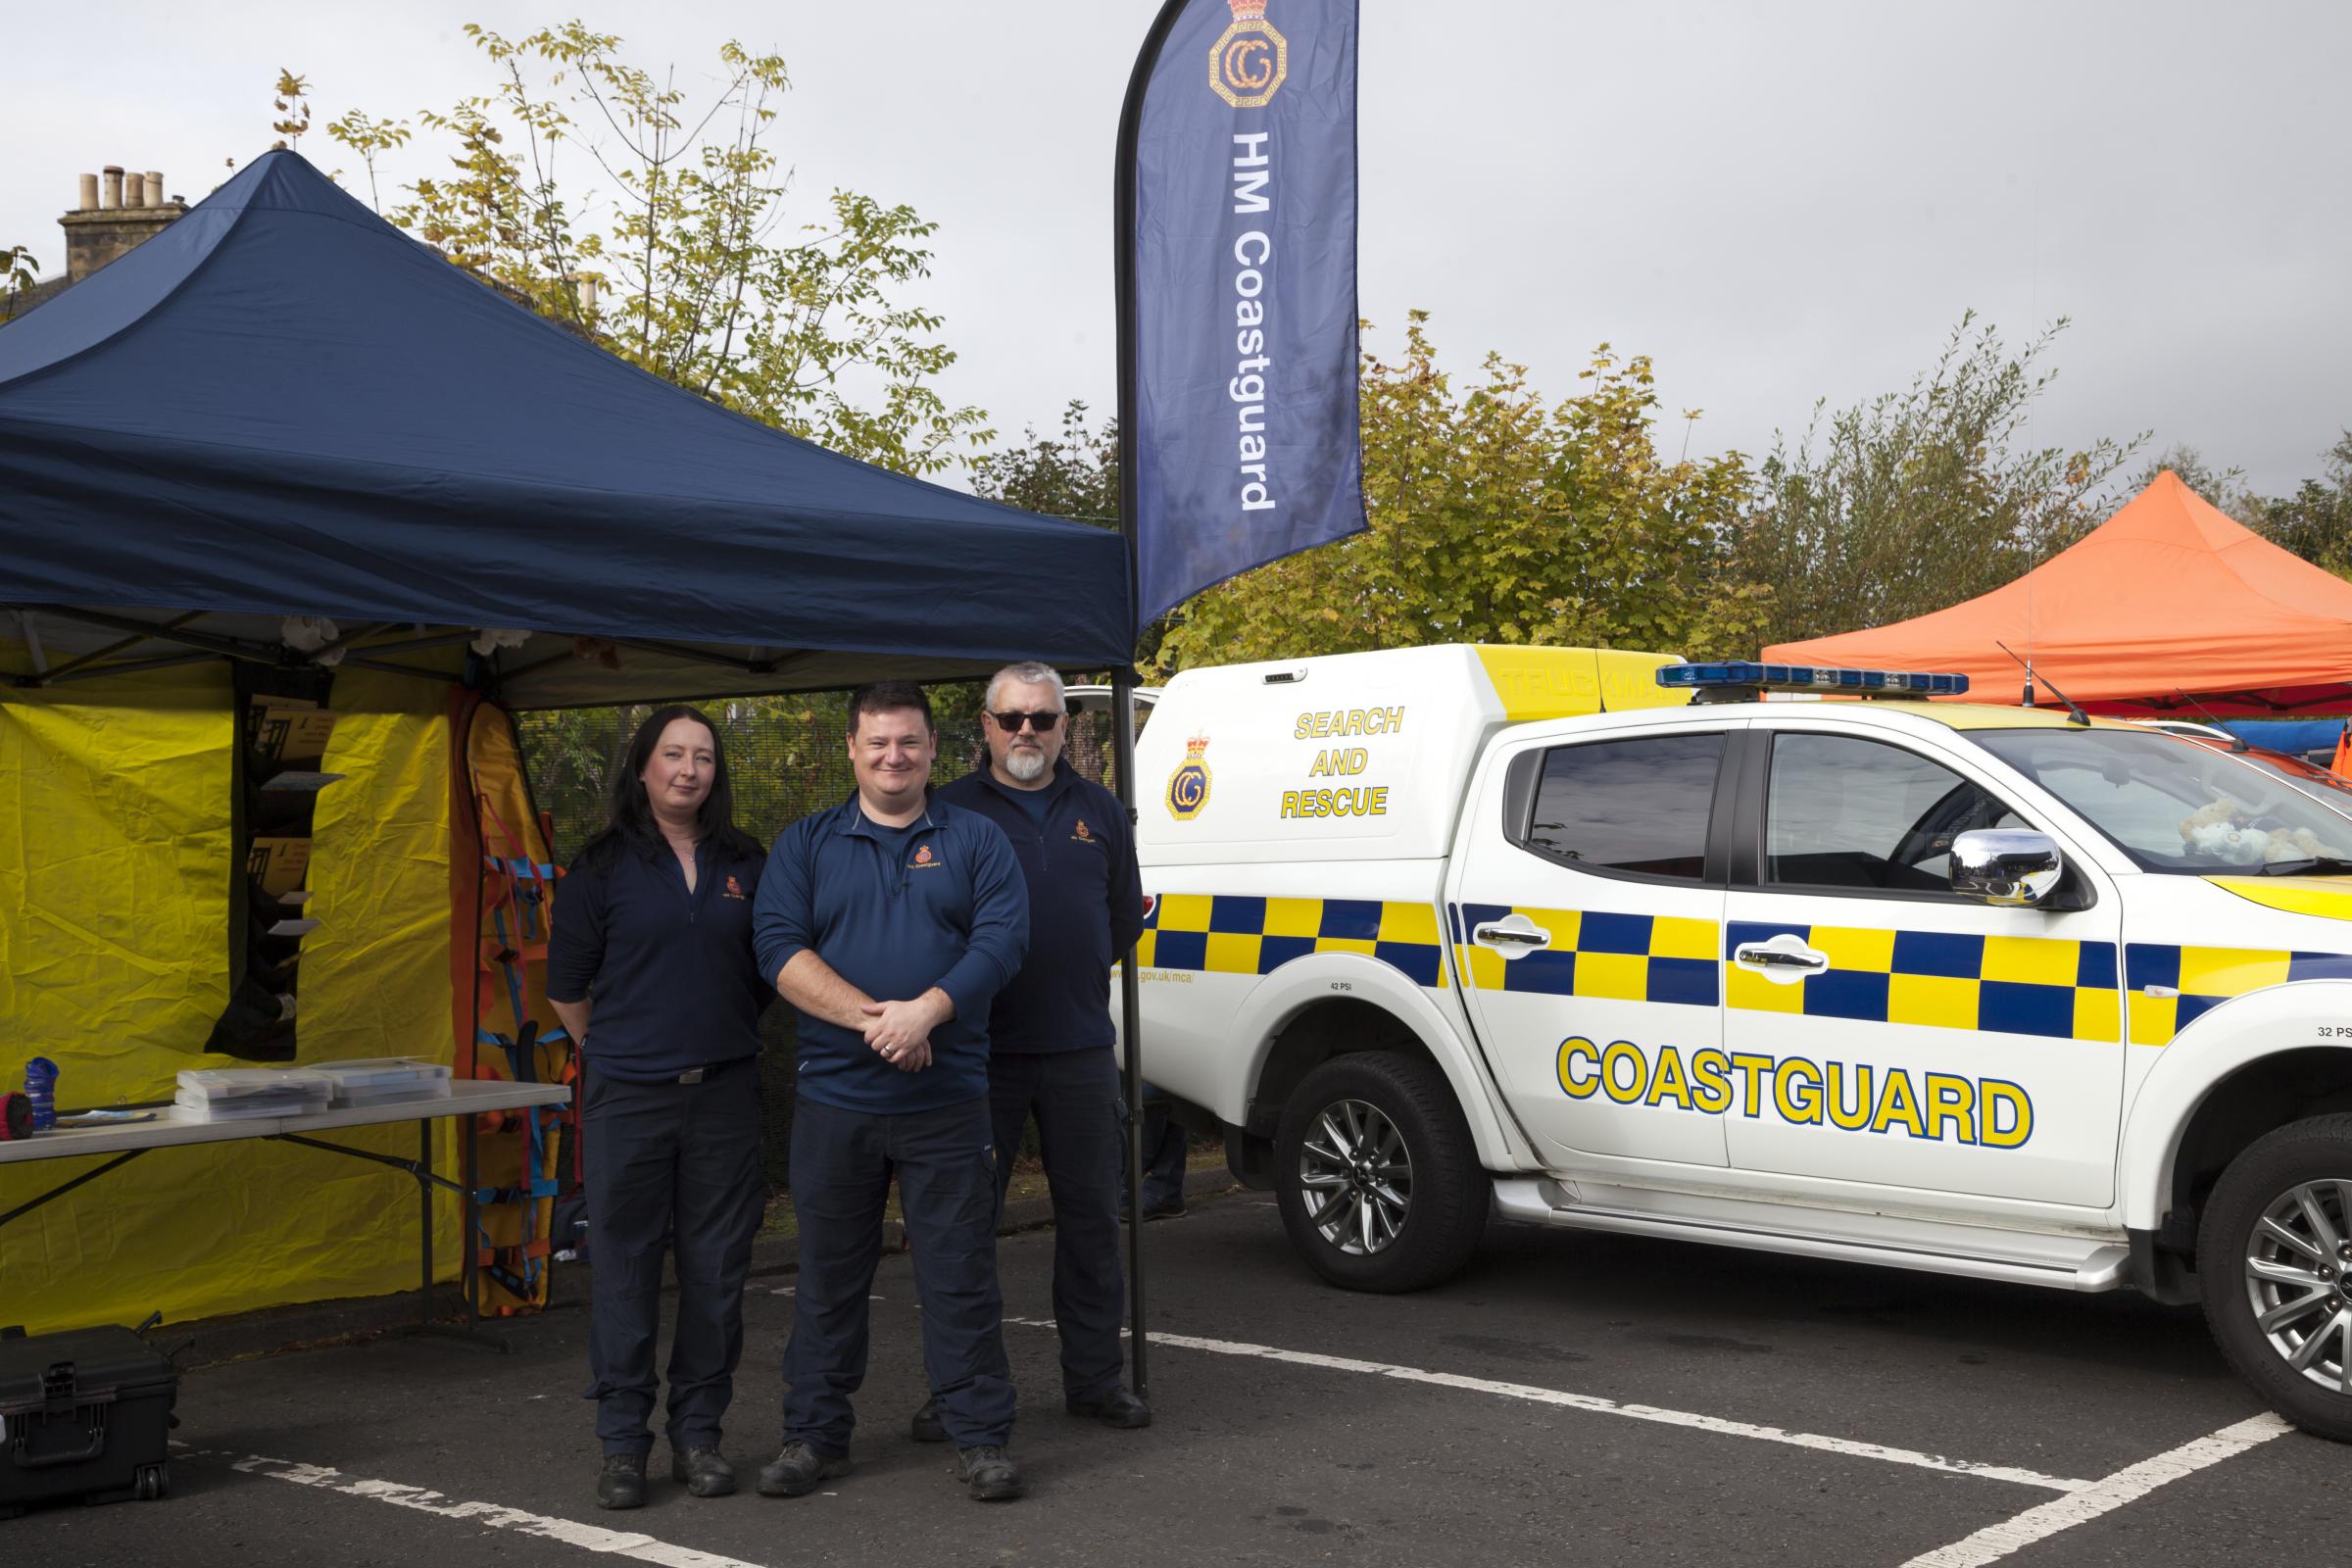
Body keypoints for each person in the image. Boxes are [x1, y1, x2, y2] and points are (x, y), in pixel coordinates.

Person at [751, 680, 1032, 1502]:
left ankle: (979, 1436)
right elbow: (776, 947)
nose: (893, 757)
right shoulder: (805, 844)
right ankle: (813, 1437)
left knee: (960, 1275)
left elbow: (1004, 940)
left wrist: (929, 1015)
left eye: (908, 742)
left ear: (934, 750)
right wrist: (880, 1021)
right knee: (828, 1277)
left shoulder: (978, 840)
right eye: (876, 743)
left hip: (947, 1103)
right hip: (836, 1103)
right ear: (851, 749)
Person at [546, 704, 772, 1511]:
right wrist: (617, 1050)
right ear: (642, 769)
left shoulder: (749, 861)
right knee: (626, 1271)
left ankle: (700, 1436)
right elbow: (567, 988)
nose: (688, 770)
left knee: (716, 1273)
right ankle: (622, 1446)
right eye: (672, 755)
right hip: (627, 1101)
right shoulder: (600, 867)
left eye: (703, 757)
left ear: (717, 773)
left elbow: (765, 974)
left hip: (724, 1097)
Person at [929, 662, 1151, 1436]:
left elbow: (1122, 918)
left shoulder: (1100, 811)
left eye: (1044, 719)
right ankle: (956, 1391)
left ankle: (1094, 1382)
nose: (1028, 731)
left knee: (1092, 1223)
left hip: (1081, 1049)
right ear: (986, 726)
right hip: (976, 1055)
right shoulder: (947, 810)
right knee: (963, 1230)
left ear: (1065, 727)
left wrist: (1075, 972)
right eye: (1012, 717)